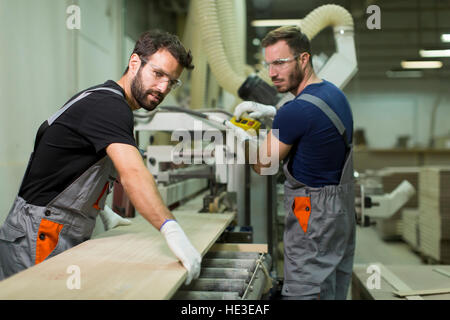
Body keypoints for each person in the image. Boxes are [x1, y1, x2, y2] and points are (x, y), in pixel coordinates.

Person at [0, 30, 201, 285]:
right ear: (135, 62)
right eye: (158, 74)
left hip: (46, 227)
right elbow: (134, 175)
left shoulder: (103, 99)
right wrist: (173, 232)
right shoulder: (110, 107)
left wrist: (99, 207)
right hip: (39, 232)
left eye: (171, 81)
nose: (163, 88)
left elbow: (67, 163)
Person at [227, 26, 356, 300]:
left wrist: (244, 140)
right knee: (330, 283)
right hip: (339, 209)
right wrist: (274, 112)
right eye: (268, 64)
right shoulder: (334, 94)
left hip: (310, 210)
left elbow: (264, 166)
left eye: (280, 62)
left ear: (303, 59)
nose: (272, 73)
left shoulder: (296, 112)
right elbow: (311, 120)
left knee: (305, 288)